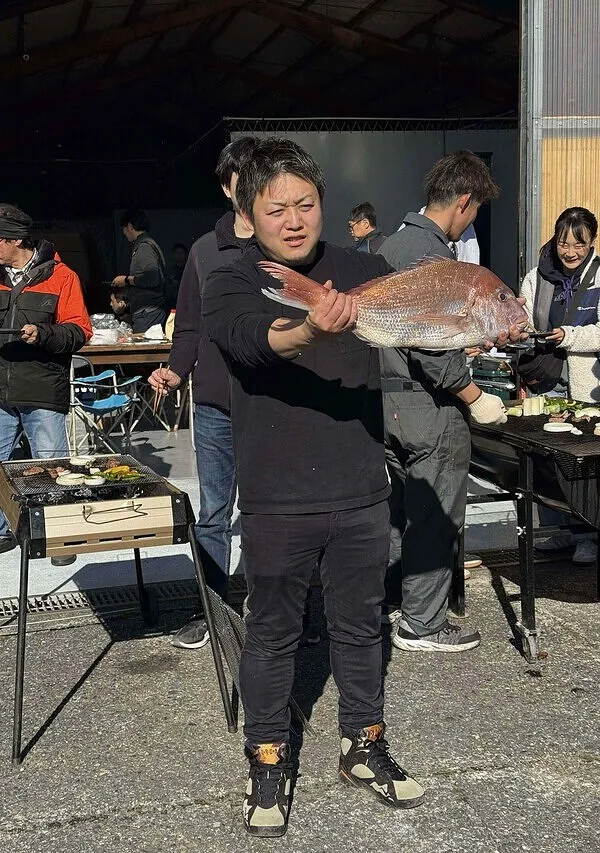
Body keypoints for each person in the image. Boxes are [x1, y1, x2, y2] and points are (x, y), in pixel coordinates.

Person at [202, 137, 426, 838]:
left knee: (362, 628)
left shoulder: (364, 266)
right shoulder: (230, 276)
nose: (295, 219)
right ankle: (267, 756)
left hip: (361, 484)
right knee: (272, 635)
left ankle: (362, 742)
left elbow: (410, 323)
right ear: (249, 212)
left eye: (306, 203)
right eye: (277, 208)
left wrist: (463, 327)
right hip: (276, 497)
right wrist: (307, 328)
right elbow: (251, 341)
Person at [378, 151, 508, 653]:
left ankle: (393, 602)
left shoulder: (390, 244)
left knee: (396, 514)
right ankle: (424, 623)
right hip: (428, 409)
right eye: (474, 212)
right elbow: (430, 348)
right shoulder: (435, 257)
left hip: (387, 403)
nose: (471, 222)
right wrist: (474, 396)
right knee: (433, 514)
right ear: (463, 200)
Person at [148, 136, 259, 649]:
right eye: (243, 178)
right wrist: (175, 370)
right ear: (226, 186)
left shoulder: (284, 241)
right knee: (214, 510)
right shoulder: (204, 250)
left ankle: (270, 609)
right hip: (215, 401)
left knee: (268, 510)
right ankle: (212, 609)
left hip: (272, 402)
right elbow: (187, 323)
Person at [0, 203, 92, 565]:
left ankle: (58, 536)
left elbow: (80, 331)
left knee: (52, 467)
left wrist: (44, 334)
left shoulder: (62, 277)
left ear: (16, 239)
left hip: (42, 391)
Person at [520, 206, 600, 565]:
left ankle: (587, 536)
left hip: (586, 383)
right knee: (545, 460)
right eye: (563, 243)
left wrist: (568, 335)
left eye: (578, 245)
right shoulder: (536, 277)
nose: (569, 252)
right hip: (545, 378)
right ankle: (556, 532)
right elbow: (520, 321)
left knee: (580, 461)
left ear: (592, 242)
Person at [111, 209, 167, 333]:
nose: (124, 233)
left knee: (146, 349)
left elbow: (152, 278)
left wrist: (125, 280)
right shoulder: (143, 245)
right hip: (146, 311)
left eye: (124, 228)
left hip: (148, 312)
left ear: (130, 226)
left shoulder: (144, 247)